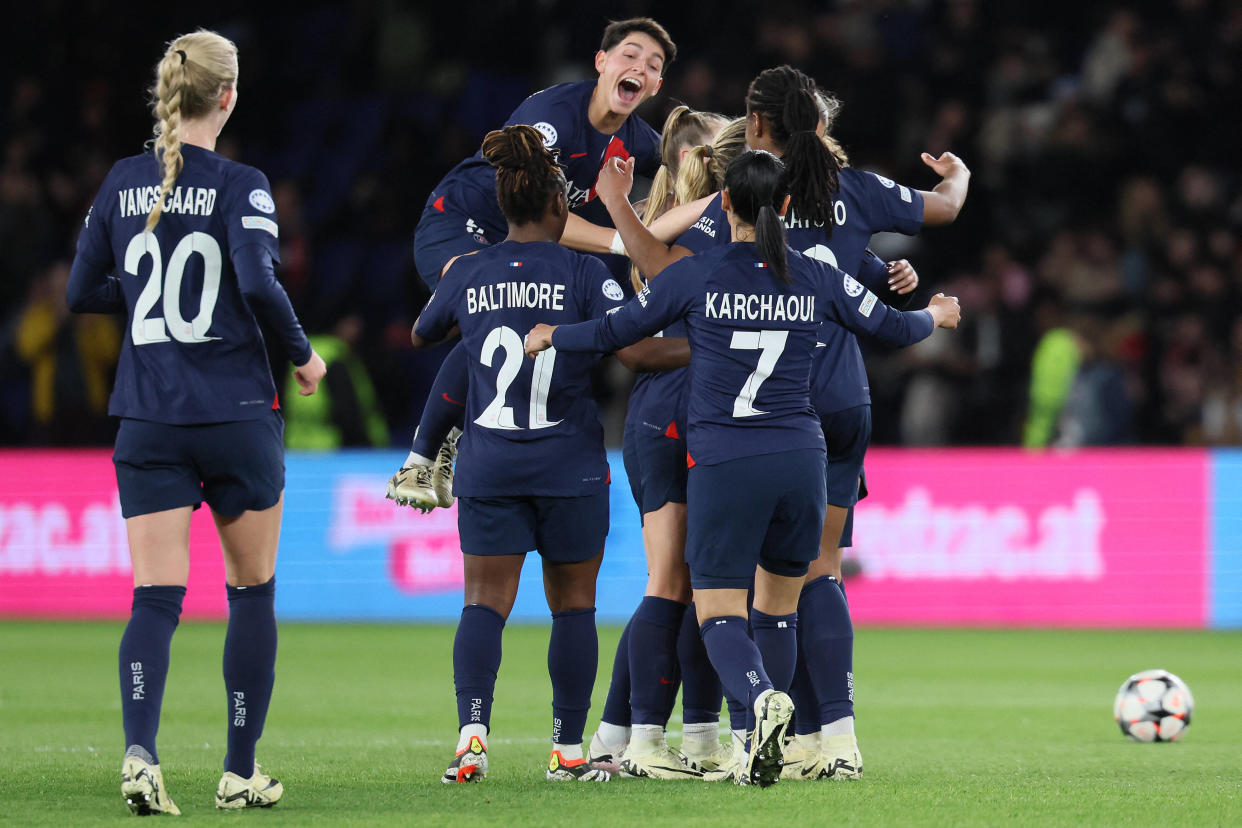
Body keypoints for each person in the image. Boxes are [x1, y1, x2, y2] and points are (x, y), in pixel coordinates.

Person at [525, 150, 961, 786]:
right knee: (778, 608)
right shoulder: (817, 274)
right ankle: (770, 751)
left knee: (719, 608)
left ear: (724, 205)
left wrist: (549, 335)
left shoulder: (696, 274)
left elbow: (618, 330)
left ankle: (757, 706)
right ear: (786, 207)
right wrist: (940, 316)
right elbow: (893, 327)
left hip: (727, 461)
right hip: (803, 460)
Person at [669, 65, 970, 780]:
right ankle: (835, 741)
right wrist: (956, 175)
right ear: (822, 126)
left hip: (760, 420)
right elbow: (946, 208)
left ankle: (751, 732)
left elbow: (664, 259)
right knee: (821, 571)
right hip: (840, 400)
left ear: (759, 126)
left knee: (741, 587)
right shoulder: (855, 189)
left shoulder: (741, 199)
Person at [66, 31, 326, 814]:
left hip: (147, 416)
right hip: (236, 415)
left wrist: (148, 305)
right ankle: (239, 770)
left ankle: (141, 754)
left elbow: (82, 292)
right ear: (228, 96)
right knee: (250, 592)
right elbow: (256, 279)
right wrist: (305, 357)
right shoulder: (242, 184)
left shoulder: (118, 183)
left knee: (154, 599)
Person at [411, 124, 674, 784]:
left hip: (490, 462)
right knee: (573, 605)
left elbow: (423, 332)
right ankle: (566, 751)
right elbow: (637, 350)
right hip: (569, 466)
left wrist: (475, 314)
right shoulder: (586, 271)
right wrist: (711, 344)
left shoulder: (470, 270)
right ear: (560, 207)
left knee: (483, 603)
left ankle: (472, 735)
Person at [386, 17, 676, 512]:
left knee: (514, 324)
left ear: (656, 86)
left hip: (521, 240)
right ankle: (421, 456)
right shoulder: (551, 115)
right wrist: (625, 240)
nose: (640, 68)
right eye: (629, 55)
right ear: (601, 63)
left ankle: (461, 437)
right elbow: (542, 212)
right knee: (492, 316)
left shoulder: (641, 140)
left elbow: (695, 167)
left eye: (653, 65)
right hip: (460, 221)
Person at [588, 116, 747, 779]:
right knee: (676, 583)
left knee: (693, 584)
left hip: (684, 417)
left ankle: (640, 735)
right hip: (671, 417)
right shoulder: (687, 239)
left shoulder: (679, 232)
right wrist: (725, 338)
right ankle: (634, 738)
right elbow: (633, 347)